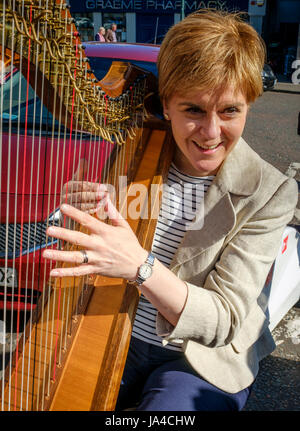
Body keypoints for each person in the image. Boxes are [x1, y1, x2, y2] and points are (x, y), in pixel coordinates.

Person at [43, 10, 298, 411]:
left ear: (249, 103)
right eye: (193, 110)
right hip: (116, 330)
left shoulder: (270, 193)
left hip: (198, 360)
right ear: (167, 104)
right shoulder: (139, 147)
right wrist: (72, 219)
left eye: (230, 111)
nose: (211, 133)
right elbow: (101, 249)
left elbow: (223, 321)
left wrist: (140, 266)